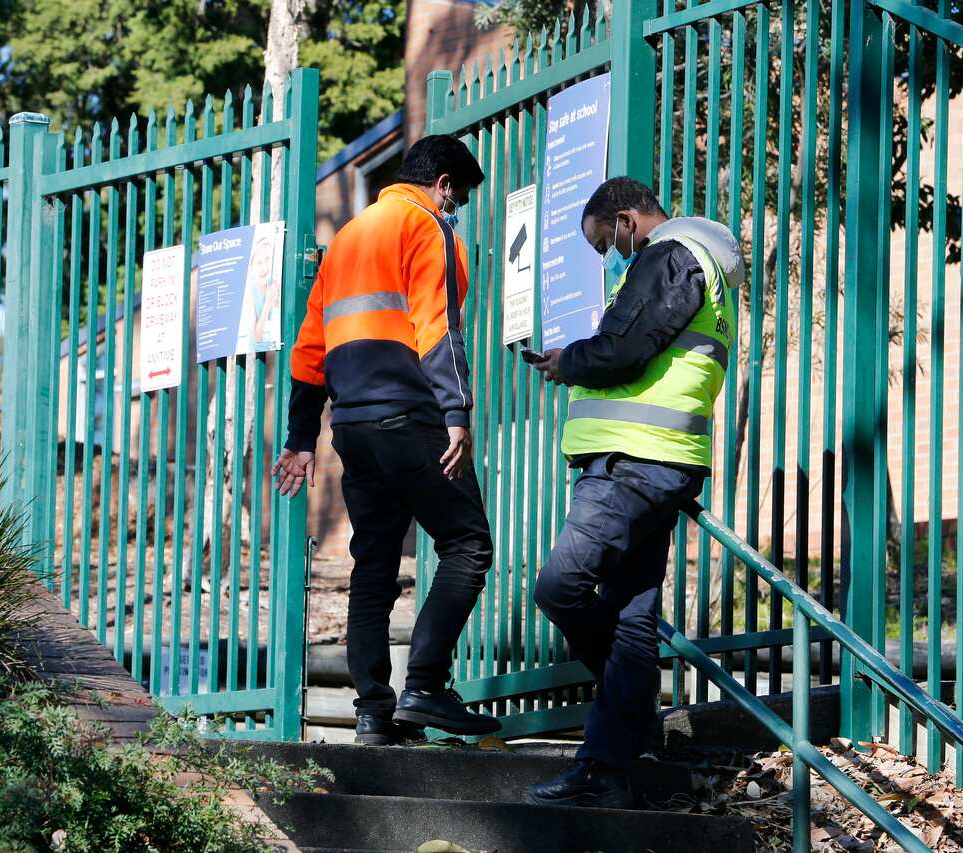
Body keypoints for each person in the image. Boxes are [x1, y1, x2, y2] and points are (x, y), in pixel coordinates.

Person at [272, 135, 501, 745]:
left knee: (373, 564)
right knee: (468, 545)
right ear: (445, 184)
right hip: (411, 416)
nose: (459, 210)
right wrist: (456, 410)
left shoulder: (348, 236)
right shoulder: (428, 225)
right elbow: (437, 324)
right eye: (462, 197)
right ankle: (426, 686)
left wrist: (300, 438)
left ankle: (373, 711)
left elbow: (308, 351)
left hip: (352, 427)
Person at [525, 176, 745, 807]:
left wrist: (568, 362)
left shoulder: (671, 255)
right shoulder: (698, 266)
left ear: (625, 219)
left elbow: (625, 349)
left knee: (560, 586)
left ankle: (627, 712)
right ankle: (607, 769)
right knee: (629, 619)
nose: (610, 257)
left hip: (634, 464)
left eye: (606, 243)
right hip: (658, 463)